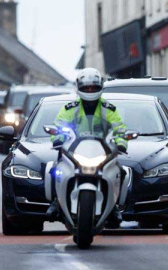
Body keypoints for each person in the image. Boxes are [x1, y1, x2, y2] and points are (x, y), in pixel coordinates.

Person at [49, 67, 128, 227]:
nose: (90, 90)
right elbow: (60, 125)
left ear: (100, 87)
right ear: (79, 88)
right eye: (87, 87)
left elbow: (119, 128)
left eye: (93, 87)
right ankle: (56, 201)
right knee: (56, 169)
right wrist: (58, 138)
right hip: (75, 149)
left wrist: (121, 142)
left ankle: (114, 206)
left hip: (102, 149)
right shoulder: (70, 108)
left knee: (120, 171)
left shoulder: (108, 108)